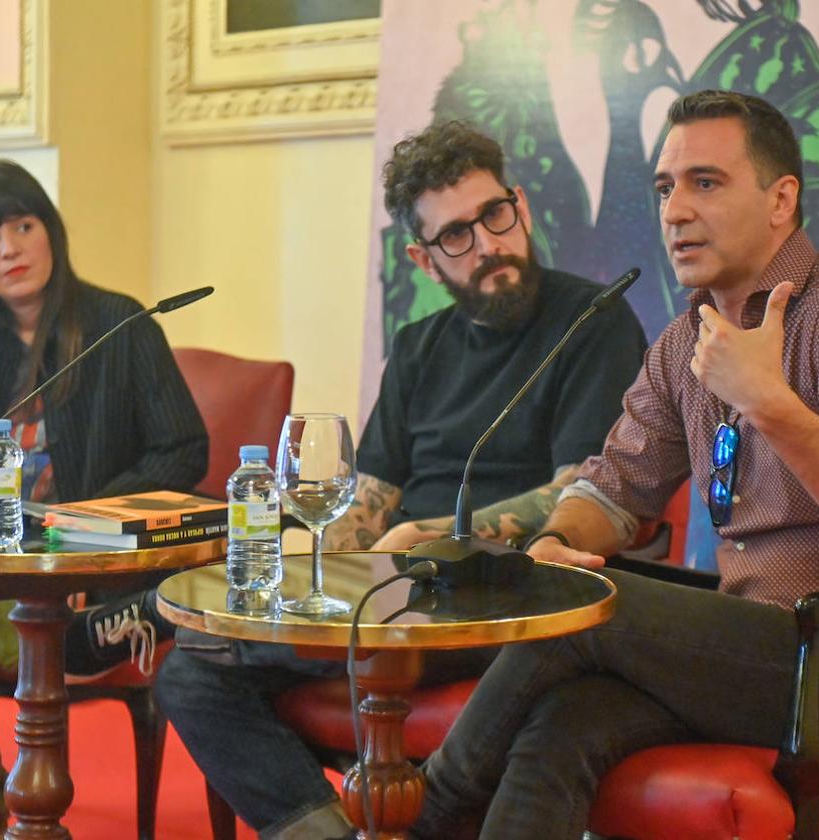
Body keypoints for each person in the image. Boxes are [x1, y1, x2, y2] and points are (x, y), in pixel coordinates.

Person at [411, 90, 819, 839]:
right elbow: (612, 488)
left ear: (780, 198)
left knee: (589, 609)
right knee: (566, 720)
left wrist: (770, 403)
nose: (674, 210)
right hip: (767, 649)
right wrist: (560, 539)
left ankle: (421, 812)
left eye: (706, 182)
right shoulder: (682, 345)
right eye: (665, 188)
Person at [155, 120, 649, 839]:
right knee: (190, 668)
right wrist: (305, 541)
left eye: (494, 216)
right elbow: (374, 498)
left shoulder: (591, 323)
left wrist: (437, 541)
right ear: (423, 259)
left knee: (209, 650)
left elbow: (581, 491)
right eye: (455, 236)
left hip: (510, 597)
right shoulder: (419, 348)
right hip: (392, 592)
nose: (486, 246)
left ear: (522, 207)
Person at [0, 160, 208, 840]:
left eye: (22, 226)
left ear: (50, 232)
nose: (8, 249)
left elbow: (183, 452)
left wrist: (79, 526)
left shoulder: (118, 325)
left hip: (89, 597)